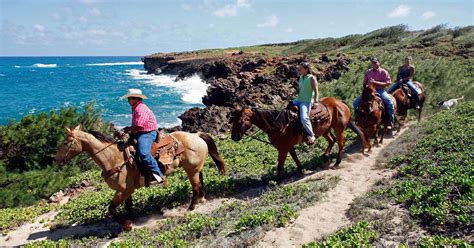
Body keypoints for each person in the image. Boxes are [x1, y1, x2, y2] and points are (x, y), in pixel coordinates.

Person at [121, 89, 164, 184]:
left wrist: (129, 129)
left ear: (136, 98)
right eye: (128, 98)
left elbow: (139, 124)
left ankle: (158, 175)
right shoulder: (136, 107)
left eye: (129, 98)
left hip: (147, 133)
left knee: (144, 153)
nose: (128, 100)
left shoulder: (140, 108)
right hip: (139, 132)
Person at [353, 57, 396, 128]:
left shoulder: (383, 72)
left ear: (379, 62)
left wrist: (375, 82)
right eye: (372, 62)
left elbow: (388, 83)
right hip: (369, 91)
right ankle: (358, 120)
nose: (374, 64)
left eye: (375, 62)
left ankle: (390, 121)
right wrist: (367, 85)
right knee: (355, 103)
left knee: (389, 102)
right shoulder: (368, 72)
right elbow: (364, 83)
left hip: (380, 90)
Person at [293, 62, 319, 145]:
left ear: (306, 69)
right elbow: (300, 90)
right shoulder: (301, 77)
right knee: (287, 108)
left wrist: (316, 102)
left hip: (306, 101)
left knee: (304, 118)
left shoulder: (312, 78)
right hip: (298, 99)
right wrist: (295, 91)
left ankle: (311, 135)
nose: (299, 70)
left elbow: (316, 91)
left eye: (300, 68)